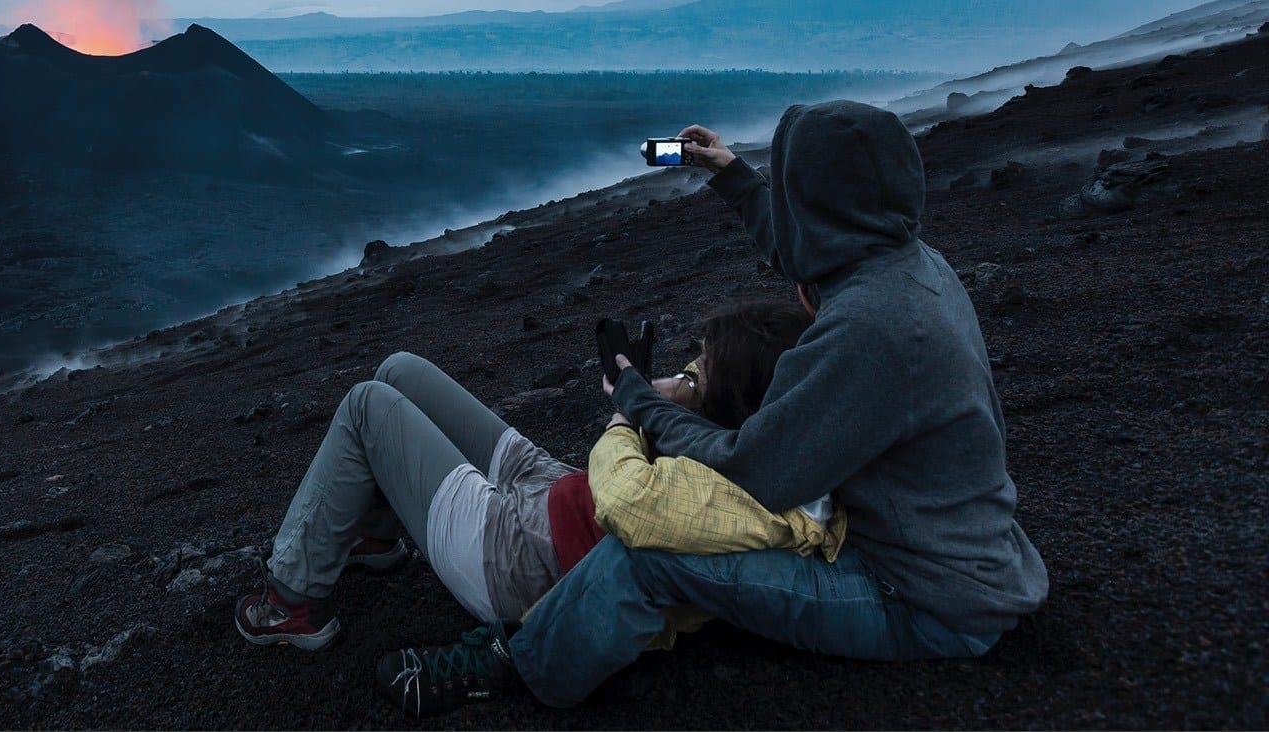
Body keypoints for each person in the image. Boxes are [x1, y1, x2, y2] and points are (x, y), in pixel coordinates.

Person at [374, 100, 1049, 717]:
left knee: (654, 548)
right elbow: (809, 250)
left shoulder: (872, 330)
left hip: (917, 593)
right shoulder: (907, 262)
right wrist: (734, 177)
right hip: (959, 555)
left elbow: (752, 469)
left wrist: (638, 402)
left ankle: (521, 666)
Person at [234, 298, 839, 664]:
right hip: (555, 491)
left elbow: (628, 497)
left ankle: (288, 599)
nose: (694, 370)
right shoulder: (766, 435)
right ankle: (370, 529)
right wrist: (681, 387)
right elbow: (731, 382)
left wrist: (628, 411)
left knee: (367, 404)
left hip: (514, 559)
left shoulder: (742, 495)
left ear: (735, 396)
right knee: (399, 371)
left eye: (704, 368)